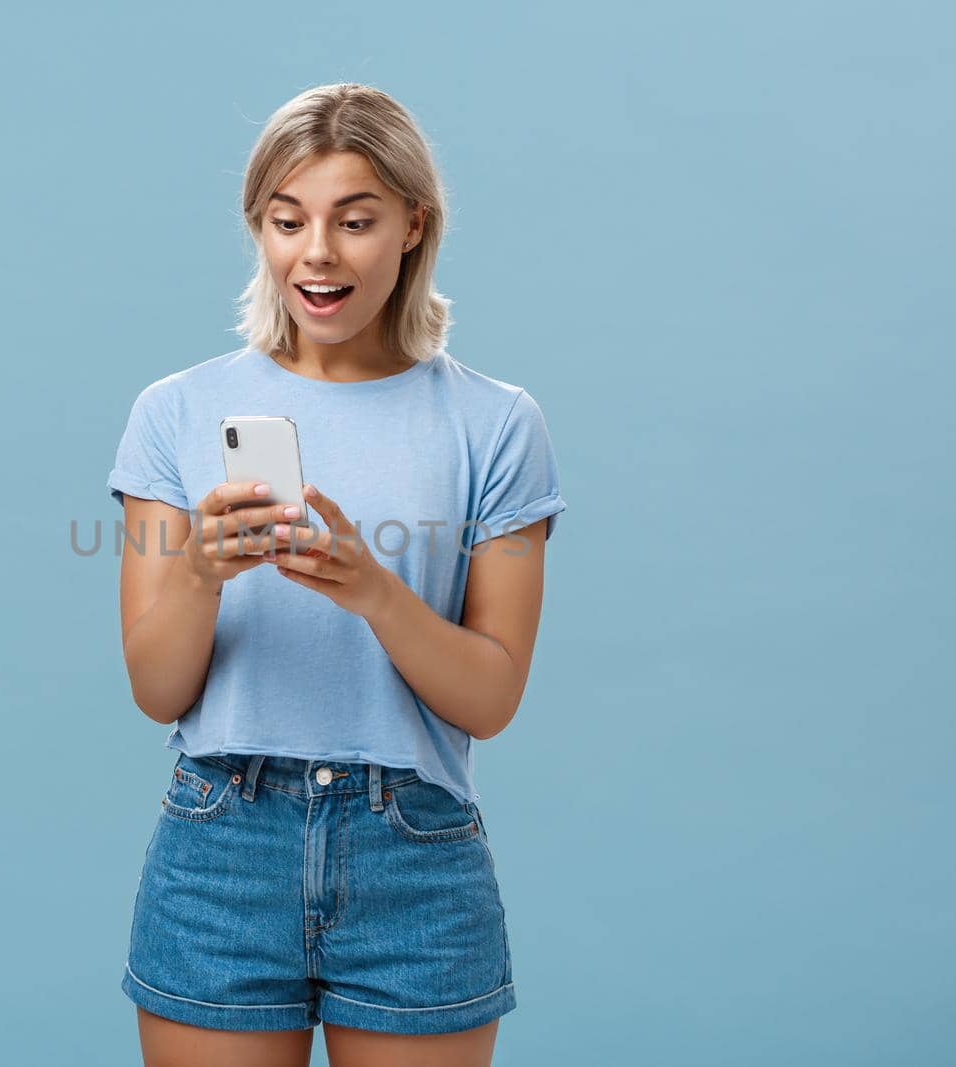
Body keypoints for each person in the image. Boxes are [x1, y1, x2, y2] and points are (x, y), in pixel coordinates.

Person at [107, 82, 567, 1067]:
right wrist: (198, 570)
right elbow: (156, 690)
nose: (316, 251)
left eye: (354, 220)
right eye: (288, 220)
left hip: (414, 854)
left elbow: (489, 696)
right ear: (259, 230)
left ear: (412, 225)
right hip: (222, 846)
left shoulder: (496, 424)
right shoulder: (174, 412)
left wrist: (373, 590)